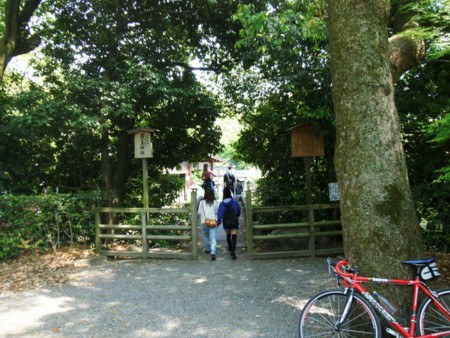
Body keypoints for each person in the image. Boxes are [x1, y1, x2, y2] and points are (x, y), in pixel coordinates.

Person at [218, 187, 241, 260]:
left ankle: (230, 247)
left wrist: (219, 222)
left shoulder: (222, 204)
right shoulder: (234, 202)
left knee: (228, 234)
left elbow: (220, 214)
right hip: (234, 221)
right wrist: (235, 216)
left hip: (226, 221)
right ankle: (233, 253)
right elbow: (238, 211)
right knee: (234, 236)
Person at [197, 187, 219, 261]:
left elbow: (199, 213)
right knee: (213, 238)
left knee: (206, 236)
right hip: (213, 221)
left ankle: (207, 249)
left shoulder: (201, 202)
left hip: (204, 221)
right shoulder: (215, 202)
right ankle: (213, 252)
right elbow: (216, 212)